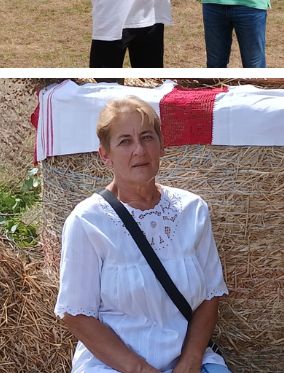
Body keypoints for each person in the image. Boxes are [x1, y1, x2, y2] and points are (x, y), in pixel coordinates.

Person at [56, 96, 228, 373]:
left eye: (147, 137)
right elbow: (77, 316)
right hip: (114, 366)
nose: (139, 150)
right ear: (105, 155)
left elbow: (209, 295)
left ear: (161, 146)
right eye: (125, 141)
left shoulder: (193, 210)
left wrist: (191, 360)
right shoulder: (88, 221)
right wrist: (141, 370)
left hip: (190, 361)